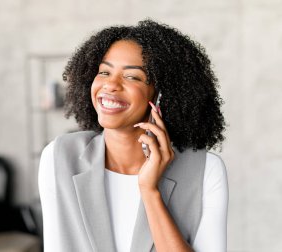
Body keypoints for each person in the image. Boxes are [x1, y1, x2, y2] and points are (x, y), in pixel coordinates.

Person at [38, 19, 228, 252]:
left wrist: (150, 191)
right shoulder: (59, 157)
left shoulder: (205, 170)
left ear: (161, 95)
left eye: (133, 77)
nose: (111, 85)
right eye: (104, 72)